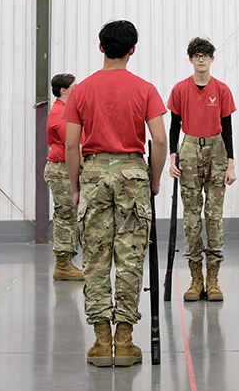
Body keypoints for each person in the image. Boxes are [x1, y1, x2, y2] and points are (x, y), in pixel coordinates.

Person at [65, 20, 167, 367]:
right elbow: (161, 140)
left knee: (95, 258)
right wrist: (152, 182)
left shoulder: (80, 91)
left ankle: (100, 343)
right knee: (130, 257)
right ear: (132, 50)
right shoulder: (145, 89)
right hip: (133, 172)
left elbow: (70, 145)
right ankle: (124, 343)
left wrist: (76, 185)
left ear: (100, 47)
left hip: (93, 172)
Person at [168, 37, 237, 301]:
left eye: (205, 55)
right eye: (196, 55)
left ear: (212, 59)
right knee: (192, 217)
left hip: (217, 149)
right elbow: (174, 126)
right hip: (188, 149)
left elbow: (228, 129)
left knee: (214, 216)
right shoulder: (179, 89)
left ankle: (214, 280)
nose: (201, 60)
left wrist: (231, 162)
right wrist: (173, 157)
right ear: (190, 59)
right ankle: (196, 280)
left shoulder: (221, 89)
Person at [46, 72, 84, 281]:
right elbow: (73, 145)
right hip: (61, 170)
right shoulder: (59, 114)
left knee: (72, 216)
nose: (77, 90)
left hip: (66, 168)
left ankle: (67, 262)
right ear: (64, 90)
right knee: (65, 216)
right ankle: (62, 265)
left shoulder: (67, 111)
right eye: (74, 87)